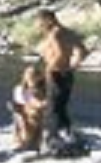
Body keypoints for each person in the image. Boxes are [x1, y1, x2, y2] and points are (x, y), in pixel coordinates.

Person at [36, 8, 89, 141]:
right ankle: (67, 133)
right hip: (67, 73)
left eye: (40, 22)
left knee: (53, 107)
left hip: (56, 73)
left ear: (48, 20)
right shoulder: (68, 32)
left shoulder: (55, 34)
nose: (39, 25)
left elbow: (59, 53)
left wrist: (51, 67)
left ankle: (54, 136)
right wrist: (73, 66)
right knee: (61, 106)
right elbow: (83, 51)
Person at [10, 66, 48, 151]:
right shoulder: (20, 89)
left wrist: (40, 104)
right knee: (22, 121)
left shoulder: (44, 88)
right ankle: (21, 141)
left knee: (37, 122)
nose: (32, 80)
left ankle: (36, 143)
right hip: (24, 113)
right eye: (30, 77)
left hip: (38, 114)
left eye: (34, 76)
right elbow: (19, 103)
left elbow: (45, 101)